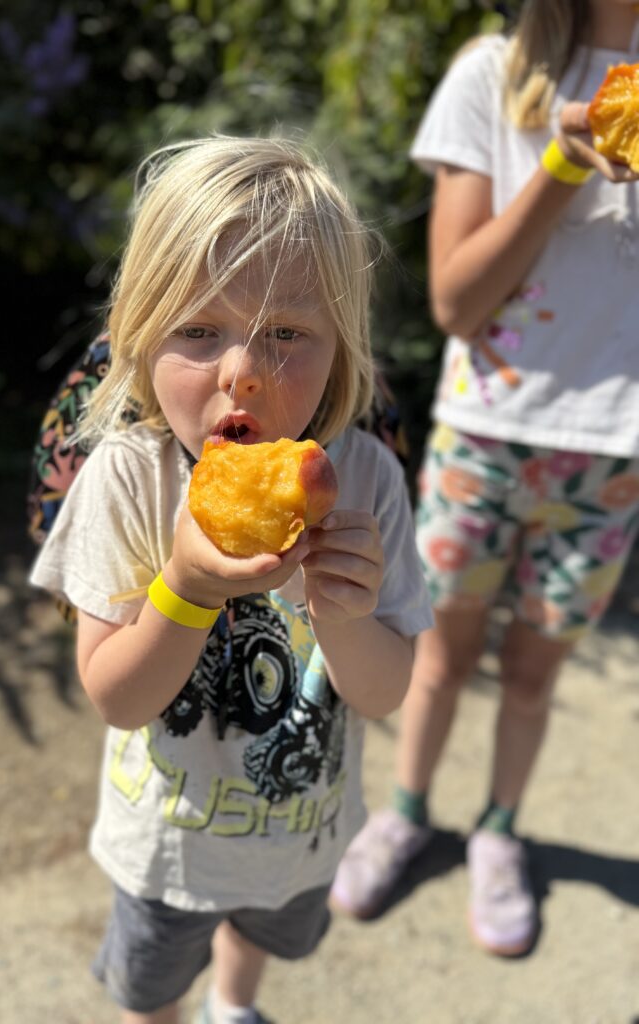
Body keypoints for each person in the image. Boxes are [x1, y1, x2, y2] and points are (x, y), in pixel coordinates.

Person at [29, 135, 433, 1024]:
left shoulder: (365, 481)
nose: (242, 368)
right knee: (152, 983)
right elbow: (116, 696)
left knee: (261, 936)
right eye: (199, 330)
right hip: (166, 847)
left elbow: (384, 690)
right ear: (138, 338)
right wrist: (185, 587)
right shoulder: (129, 481)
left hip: (302, 835)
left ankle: (235, 1004)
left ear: (342, 349)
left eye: (286, 333)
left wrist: (347, 612)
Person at [330, 0, 639, 958]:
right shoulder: (492, 74)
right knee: (438, 654)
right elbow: (456, 300)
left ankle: (499, 831)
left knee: (535, 674)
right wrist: (560, 163)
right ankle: (409, 814)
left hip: (616, 445)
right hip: (487, 434)